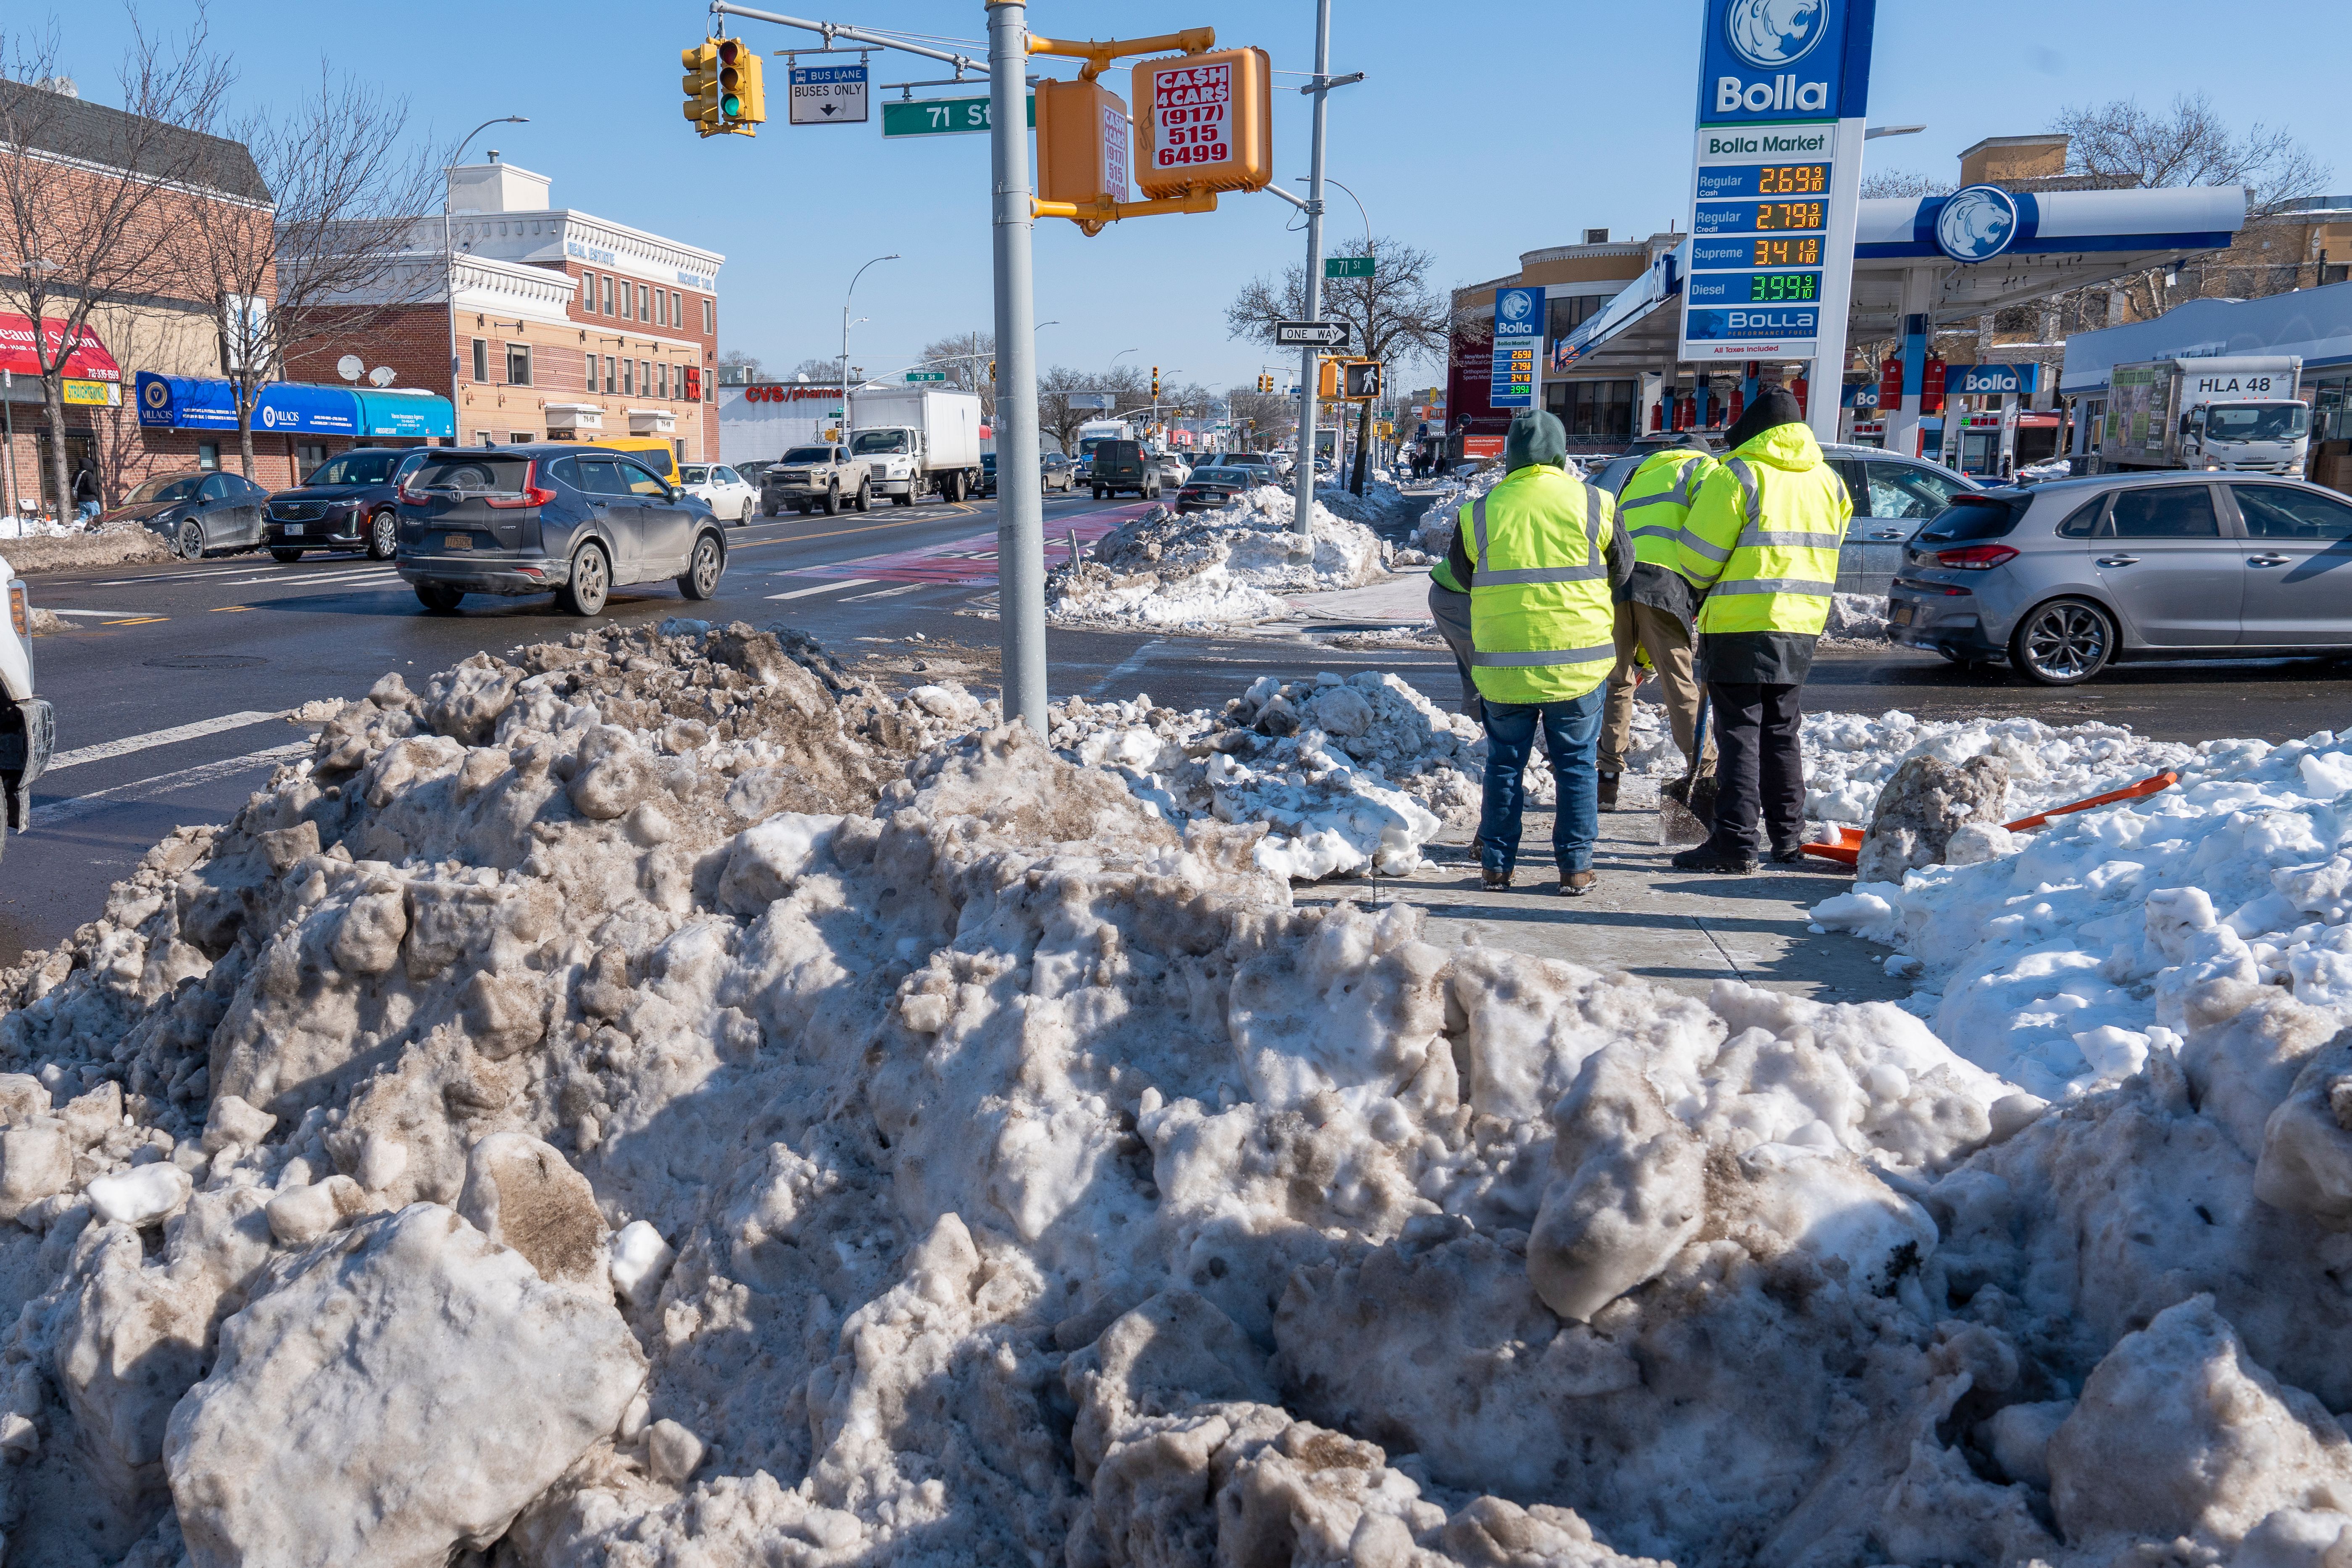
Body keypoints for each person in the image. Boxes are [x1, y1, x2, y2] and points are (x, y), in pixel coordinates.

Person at [1446, 407, 1630, 896]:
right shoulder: (1595, 503)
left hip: (1503, 665)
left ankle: (1496, 866)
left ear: (1510, 454)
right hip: (1577, 661)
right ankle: (1575, 867)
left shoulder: (1480, 510)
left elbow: (1462, 576)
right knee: (1574, 763)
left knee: (1504, 762)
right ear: (1560, 451)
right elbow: (1623, 568)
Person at [1668, 389, 1851, 874]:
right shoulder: (1830, 482)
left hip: (1739, 624)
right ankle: (1786, 841)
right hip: (1801, 625)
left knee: (1740, 735)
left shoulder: (1739, 475)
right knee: (1781, 733)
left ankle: (1733, 843)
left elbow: (1696, 558)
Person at [1597, 432, 1717, 808]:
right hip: (1665, 582)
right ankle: (1705, 774)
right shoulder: (1705, 469)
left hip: (1618, 579)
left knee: (1618, 680)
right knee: (1678, 683)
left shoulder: (1639, 473)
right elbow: (1710, 531)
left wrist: (1641, 661)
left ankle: (1606, 781)